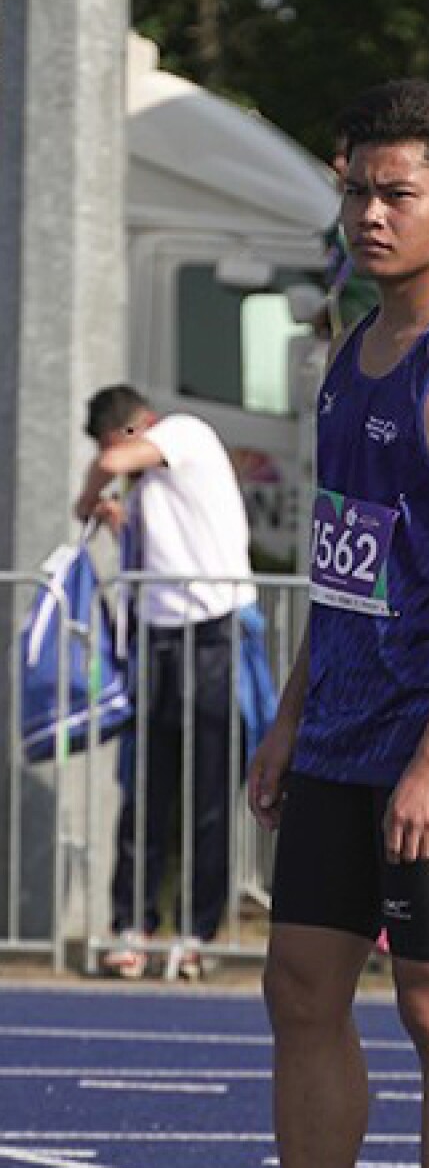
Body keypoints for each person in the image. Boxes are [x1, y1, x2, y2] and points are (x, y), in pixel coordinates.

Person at [169, 79, 429, 1168]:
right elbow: (342, 555)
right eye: (356, 189)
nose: (369, 213)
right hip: (339, 723)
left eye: (397, 193)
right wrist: (289, 717)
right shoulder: (345, 351)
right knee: (298, 990)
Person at [75, 386, 258, 980]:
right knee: (146, 787)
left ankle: (198, 930)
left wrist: (90, 492)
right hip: (158, 640)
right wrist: (111, 517)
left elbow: (111, 462)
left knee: (209, 790)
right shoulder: (154, 487)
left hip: (211, 634)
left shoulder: (186, 433)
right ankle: (133, 923)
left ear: (140, 427)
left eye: (121, 440)